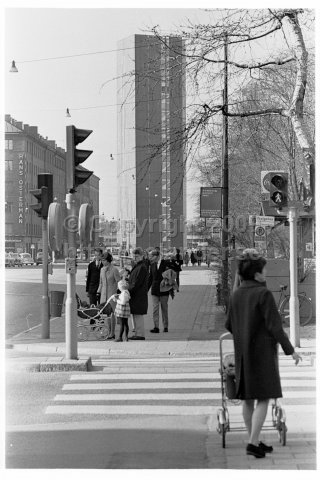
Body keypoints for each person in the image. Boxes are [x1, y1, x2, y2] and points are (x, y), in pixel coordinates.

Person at [225, 251, 301, 459]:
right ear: (257, 275)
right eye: (264, 269)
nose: (266, 272)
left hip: (242, 353)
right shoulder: (263, 294)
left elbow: (229, 324)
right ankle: (252, 442)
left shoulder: (237, 294)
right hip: (262, 354)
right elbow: (275, 327)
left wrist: (243, 334)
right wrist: (291, 350)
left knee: (247, 399)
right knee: (264, 398)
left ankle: (255, 440)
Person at [148, 249, 174, 333]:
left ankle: (165, 326)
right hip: (155, 290)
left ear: (158, 256)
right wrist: (146, 289)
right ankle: (156, 327)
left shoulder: (166, 264)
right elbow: (150, 278)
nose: (151, 258)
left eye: (152, 256)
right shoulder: (152, 265)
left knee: (164, 309)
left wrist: (171, 288)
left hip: (164, 290)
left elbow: (170, 276)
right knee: (155, 309)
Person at [97, 252, 120, 340]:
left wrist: (117, 292)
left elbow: (118, 281)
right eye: (102, 260)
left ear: (109, 260)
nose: (102, 262)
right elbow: (101, 282)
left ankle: (112, 333)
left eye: (104, 260)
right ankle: (108, 331)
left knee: (112, 314)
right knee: (105, 315)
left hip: (112, 294)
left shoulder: (114, 269)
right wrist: (98, 292)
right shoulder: (102, 269)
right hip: (103, 294)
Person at [127, 247, 149, 340]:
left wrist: (128, 290)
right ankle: (137, 332)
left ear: (141, 256)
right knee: (135, 314)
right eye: (134, 256)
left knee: (138, 315)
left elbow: (136, 283)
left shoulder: (141, 267)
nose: (135, 258)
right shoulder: (138, 266)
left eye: (137, 256)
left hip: (138, 295)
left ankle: (140, 334)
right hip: (136, 295)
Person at [112, 269, 131, 342]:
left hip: (122, 311)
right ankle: (126, 337)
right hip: (125, 311)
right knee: (126, 323)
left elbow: (122, 302)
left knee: (122, 324)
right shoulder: (126, 292)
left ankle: (120, 337)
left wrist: (116, 300)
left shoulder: (123, 293)